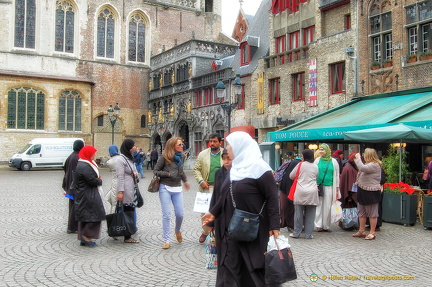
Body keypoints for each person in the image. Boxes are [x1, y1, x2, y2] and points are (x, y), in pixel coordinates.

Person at [202, 131, 280, 286]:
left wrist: (274, 224)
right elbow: (225, 194)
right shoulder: (235, 168)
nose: (227, 148)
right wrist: (214, 212)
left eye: (230, 145)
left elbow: (272, 197)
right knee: (230, 263)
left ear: (240, 147)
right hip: (231, 227)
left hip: (253, 227)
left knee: (251, 266)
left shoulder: (260, 168)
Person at [154, 137, 190, 249]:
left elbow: (181, 171)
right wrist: (168, 174)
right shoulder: (164, 157)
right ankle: (166, 240)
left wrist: (185, 181)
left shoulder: (182, 157)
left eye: (182, 144)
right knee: (166, 215)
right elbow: (156, 171)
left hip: (177, 188)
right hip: (165, 187)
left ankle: (177, 230)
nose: (182, 146)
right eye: (179, 144)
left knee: (180, 214)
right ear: (172, 146)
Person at [193, 133, 224, 243]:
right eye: (211, 141)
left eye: (215, 141)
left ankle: (219, 233)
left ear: (220, 142)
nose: (212, 143)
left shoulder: (225, 154)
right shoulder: (202, 154)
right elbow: (196, 169)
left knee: (221, 211)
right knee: (204, 212)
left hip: (221, 188)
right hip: (207, 187)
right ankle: (205, 231)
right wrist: (201, 181)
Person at [74, 145, 105, 247]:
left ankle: (84, 236)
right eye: (93, 153)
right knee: (94, 214)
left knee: (87, 215)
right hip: (88, 194)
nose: (95, 155)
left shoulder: (85, 164)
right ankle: (86, 236)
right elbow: (92, 180)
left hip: (86, 193)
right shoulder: (84, 165)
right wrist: (99, 180)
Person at [207, 149, 232, 266]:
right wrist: (211, 222)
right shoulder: (218, 173)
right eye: (224, 159)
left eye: (229, 159)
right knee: (220, 243)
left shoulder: (237, 172)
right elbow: (215, 195)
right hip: (219, 214)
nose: (226, 162)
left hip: (232, 214)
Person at [352, 148, 382, 240]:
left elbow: (362, 168)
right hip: (362, 190)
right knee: (362, 212)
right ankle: (361, 231)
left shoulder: (375, 165)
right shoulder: (368, 164)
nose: (363, 155)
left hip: (371, 192)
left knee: (372, 213)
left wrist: (357, 159)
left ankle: (372, 232)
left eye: (365, 153)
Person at [289, 149, 319, 239]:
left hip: (300, 191)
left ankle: (296, 233)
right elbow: (317, 177)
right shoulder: (315, 166)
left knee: (298, 214)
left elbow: (291, 176)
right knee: (310, 215)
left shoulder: (300, 165)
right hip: (312, 192)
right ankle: (308, 234)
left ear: (304, 156)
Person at [116, 139, 141, 244]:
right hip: (125, 189)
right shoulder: (120, 160)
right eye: (133, 146)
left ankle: (128, 234)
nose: (135, 147)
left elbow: (134, 171)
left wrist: (135, 174)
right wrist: (120, 192)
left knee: (130, 211)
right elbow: (120, 177)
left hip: (131, 189)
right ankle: (127, 236)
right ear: (128, 147)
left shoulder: (130, 158)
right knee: (127, 211)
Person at [314, 144, 341, 232]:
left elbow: (336, 175)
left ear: (327, 151)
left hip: (329, 186)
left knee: (328, 205)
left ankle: (326, 225)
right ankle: (318, 224)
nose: (321, 151)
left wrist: (337, 188)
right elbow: (314, 172)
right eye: (320, 149)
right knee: (319, 205)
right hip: (319, 186)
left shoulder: (334, 161)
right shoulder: (317, 160)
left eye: (322, 150)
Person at [62, 139, 85, 234]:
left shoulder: (71, 156)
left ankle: (73, 226)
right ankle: (72, 227)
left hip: (70, 184)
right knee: (75, 207)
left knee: (73, 206)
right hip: (74, 186)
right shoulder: (76, 157)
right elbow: (78, 172)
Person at [279, 156, 301, 232]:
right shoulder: (298, 167)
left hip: (284, 189)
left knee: (285, 207)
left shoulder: (289, 170)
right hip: (289, 189)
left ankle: (286, 222)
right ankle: (291, 224)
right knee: (291, 207)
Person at [105, 145, 120, 214]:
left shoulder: (109, 162)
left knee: (114, 200)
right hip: (122, 180)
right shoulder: (121, 158)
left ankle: (114, 214)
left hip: (115, 181)